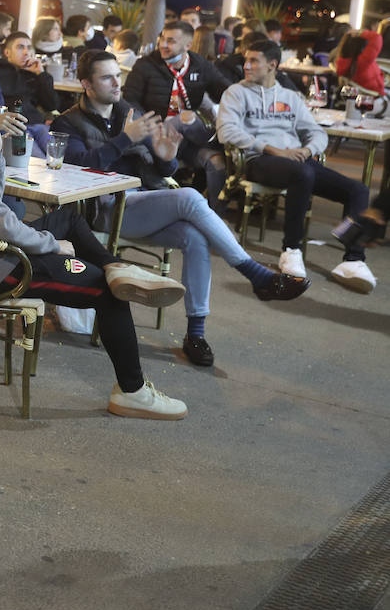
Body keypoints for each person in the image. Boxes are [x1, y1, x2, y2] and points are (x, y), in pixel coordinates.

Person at [0, 72, 189, 419]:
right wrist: (51, 245)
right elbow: (1, 221)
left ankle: (116, 266)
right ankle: (133, 391)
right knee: (108, 292)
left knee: (67, 217)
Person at [52, 50, 309, 366]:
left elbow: (163, 170)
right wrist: (122, 140)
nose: (116, 84)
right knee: (188, 196)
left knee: (195, 237)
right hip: (105, 209)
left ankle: (196, 334)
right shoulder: (68, 121)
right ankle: (255, 274)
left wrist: (166, 156)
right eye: (106, 78)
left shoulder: (127, 112)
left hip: (143, 202)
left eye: (117, 75)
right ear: (86, 85)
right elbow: (76, 168)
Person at [216, 39, 377, 292]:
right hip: (259, 160)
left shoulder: (290, 97)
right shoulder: (236, 92)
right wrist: (270, 148)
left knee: (358, 190)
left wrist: (307, 149)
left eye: (253, 61)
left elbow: (316, 133)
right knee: (302, 173)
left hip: (296, 161)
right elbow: (226, 132)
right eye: (246, 60)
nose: (246, 65)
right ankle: (291, 249)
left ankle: (353, 259)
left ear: (272, 65)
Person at [123, 21, 231, 206]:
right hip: (155, 136)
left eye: (171, 41)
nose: (163, 45)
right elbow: (129, 101)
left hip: (188, 139)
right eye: (162, 39)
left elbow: (227, 92)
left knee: (217, 162)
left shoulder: (200, 65)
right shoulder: (146, 65)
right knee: (183, 118)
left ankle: (215, 215)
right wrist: (148, 124)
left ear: (188, 45)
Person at [0, 31, 56, 154]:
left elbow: (52, 105)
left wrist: (41, 74)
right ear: (7, 52)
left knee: (58, 156)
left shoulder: (34, 73)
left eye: (29, 47)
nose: (26, 52)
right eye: (20, 47)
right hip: (13, 127)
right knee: (39, 161)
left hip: (38, 125)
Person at [334, 19, 387, 96]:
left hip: (363, 95)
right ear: (360, 46)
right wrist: (360, 33)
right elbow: (376, 38)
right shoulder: (362, 61)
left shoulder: (343, 61)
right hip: (375, 98)